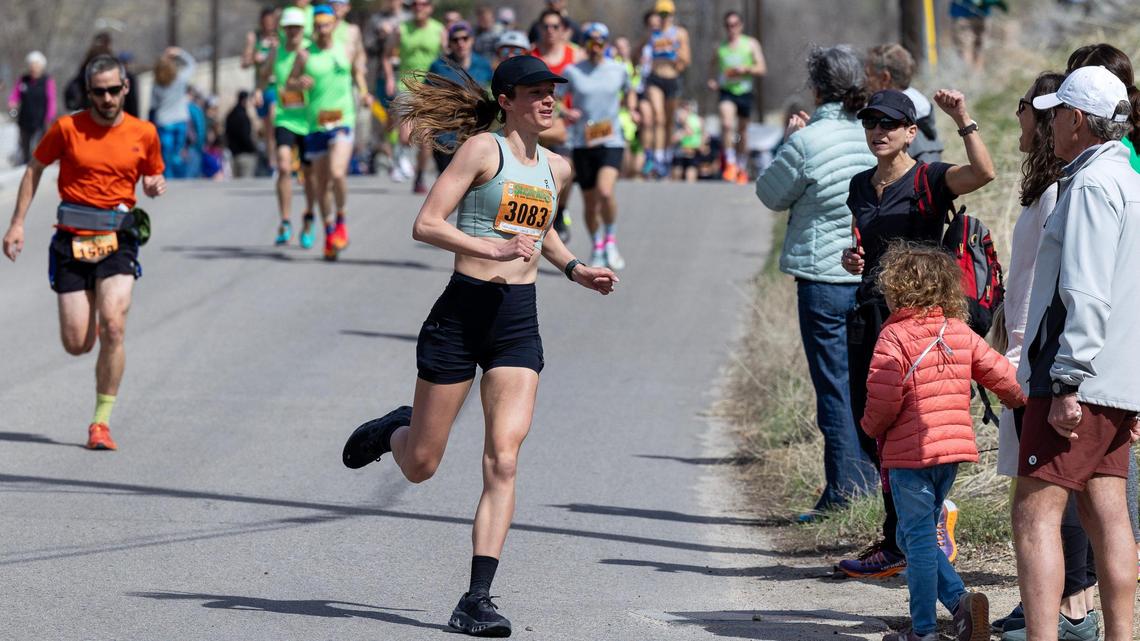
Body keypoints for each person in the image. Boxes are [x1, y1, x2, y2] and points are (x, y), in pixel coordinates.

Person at [340, 54, 617, 636]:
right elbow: (428, 223)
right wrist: (488, 248)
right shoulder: (480, 151)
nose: (549, 100)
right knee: (421, 464)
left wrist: (575, 269)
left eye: (553, 91)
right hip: (462, 312)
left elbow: (543, 234)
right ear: (508, 99)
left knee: (505, 457)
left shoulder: (556, 168)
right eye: (537, 92)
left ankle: (476, 598)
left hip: (517, 320)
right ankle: (398, 430)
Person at [838, 88, 996, 578]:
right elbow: (862, 242)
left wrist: (963, 117)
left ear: (910, 132)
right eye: (870, 124)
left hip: (922, 324)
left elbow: (984, 173)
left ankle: (912, 534)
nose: (878, 132)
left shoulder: (930, 179)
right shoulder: (860, 186)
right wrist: (853, 260)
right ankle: (907, 534)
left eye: (889, 124)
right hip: (870, 315)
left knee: (916, 432)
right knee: (871, 429)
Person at [1014, 63, 1140, 641]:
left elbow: (1085, 290)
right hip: (1118, 376)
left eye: (1058, 114)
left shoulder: (1089, 183)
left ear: (1080, 121)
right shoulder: (1131, 179)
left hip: (1077, 375)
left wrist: (1065, 381)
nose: (1051, 126)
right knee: (1107, 513)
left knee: (1034, 515)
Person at [1, 54, 166, 450]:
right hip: (71, 241)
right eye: (99, 92)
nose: (107, 98)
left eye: (114, 90)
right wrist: (18, 223)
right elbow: (34, 168)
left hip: (118, 241)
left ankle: (100, 422)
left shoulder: (143, 132)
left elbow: (153, 172)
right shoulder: (67, 128)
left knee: (114, 326)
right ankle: (90, 319)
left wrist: (154, 184)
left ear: (125, 88)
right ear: (88, 92)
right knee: (77, 344)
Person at [863, 244, 1025, 641]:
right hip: (949, 455)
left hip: (910, 456)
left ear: (897, 290)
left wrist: (868, 428)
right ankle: (960, 605)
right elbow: (1004, 376)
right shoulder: (959, 332)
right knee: (910, 535)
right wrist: (1019, 402)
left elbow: (882, 402)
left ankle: (922, 631)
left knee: (916, 540)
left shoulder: (893, 337)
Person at [987, 72, 1096, 641]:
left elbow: (1056, 283)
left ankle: (1072, 607)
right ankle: (1047, 606)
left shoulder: (1067, 187)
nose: (1023, 117)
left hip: (1042, 353)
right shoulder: (1047, 183)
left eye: (1028, 107)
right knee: (1042, 487)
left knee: (1053, 488)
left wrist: (1023, 353)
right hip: (1025, 347)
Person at [755, 44, 879, 518]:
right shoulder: (874, 130)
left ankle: (844, 490)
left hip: (823, 278)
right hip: (870, 274)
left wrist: (789, 140)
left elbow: (770, 194)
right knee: (869, 385)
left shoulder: (808, 140)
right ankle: (868, 482)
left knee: (834, 385)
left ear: (818, 87)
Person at [288, 4, 372, 261]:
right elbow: (289, 83)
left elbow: (358, 71)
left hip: (342, 119)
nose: (323, 30)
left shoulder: (345, 49)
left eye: (326, 25)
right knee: (320, 184)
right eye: (318, 26)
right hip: (315, 125)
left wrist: (365, 92)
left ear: (333, 26)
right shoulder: (304, 55)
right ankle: (328, 233)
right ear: (314, 28)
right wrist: (298, 83)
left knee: (337, 173)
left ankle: (342, 220)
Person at [562, 22, 635, 269]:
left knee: (606, 191)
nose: (596, 46)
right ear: (585, 44)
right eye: (591, 41)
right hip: (583, 142)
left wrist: (632, 109)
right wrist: (566, 111)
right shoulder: (573, 71)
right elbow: (557, 98)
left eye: (600, 41)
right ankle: (597, 244)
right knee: (590, 202)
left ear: (606, 43)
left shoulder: (618, 69)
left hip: (611, 140)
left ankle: (611, 240)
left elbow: (630, 90)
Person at [264, 6, 318, 247]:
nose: (293, 32)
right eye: (289, 28)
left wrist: (309, 82)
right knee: (284, 166)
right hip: (285, 117)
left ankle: (308, 217)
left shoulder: (310, 51)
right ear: (283, 29)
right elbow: (264, 74)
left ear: (302, 29)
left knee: (310, 175)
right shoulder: (276, 51)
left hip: (309, 120)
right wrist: (259, 88)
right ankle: (285, 220)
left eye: (297, 28)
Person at [383, 0, 447, 191]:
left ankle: (419, 175)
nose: (419, 8)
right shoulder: (401, 29)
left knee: (426, 137)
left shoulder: (439, 30)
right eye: (415, 5)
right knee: (406, 136)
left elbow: (447, 57)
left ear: (430, 8)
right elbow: (386, 55)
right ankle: (402, 157)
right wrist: (389, 79)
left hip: (432, 89)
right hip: (407, 86)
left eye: (424, 4)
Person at [427, 21, 493, 176]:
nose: (460, 43)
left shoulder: (484, 65)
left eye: (465, 38)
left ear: (472, 40)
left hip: (476, 132)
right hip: (445, 136)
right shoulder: (439, 66)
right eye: (455, 40)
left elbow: (492, 94)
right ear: (449, 43)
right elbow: (427, 95)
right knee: (448, 180)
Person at [706, 11, 765, 185]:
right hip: (726, 91)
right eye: (728, 25)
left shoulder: (750, 44)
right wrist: (712, 81)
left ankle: (741, 165)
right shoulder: (721, 47)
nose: (732, 28)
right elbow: (711, 66)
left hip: (745, 92)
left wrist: (745, 70)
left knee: (743, 132)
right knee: (726, 123)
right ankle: (730, 163)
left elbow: (761, 68)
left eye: (735, 24)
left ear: (741, 26)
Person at [865, 43, 943, 164]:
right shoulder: (920, 106)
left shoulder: (906, 117)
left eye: (868, 75)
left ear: (885, 78)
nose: (865, 81)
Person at [641, 0, 690, 180]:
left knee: (669, 121)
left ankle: (667, 155)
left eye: (666, 14)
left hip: (672, 78)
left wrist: (675, 53)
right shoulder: (652, 33)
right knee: (658, 116)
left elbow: (686, 59)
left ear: (672, 15)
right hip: (655, 78)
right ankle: (658, 157)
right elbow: (640, 52)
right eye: (659, 14)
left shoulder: (679, 33)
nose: (662, 18)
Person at [150, 47, 197, 179]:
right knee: (178, 153)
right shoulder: (180, 80)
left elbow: (153, 106)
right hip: (180, 120)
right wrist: (179, 53)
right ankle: (180, 176)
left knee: (165, 154)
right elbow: (192, 64)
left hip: (164, 122)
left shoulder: (156, 85)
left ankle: (168, 178)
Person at [243, 6, 280, 161]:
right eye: (266, 22)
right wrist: (253, 58)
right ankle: (272, 161)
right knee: (268, 129)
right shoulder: (254, 38)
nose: (269, 25)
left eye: (272, 21)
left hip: (277, 86)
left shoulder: (280, 37)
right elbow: (244, 63)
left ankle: (281, 158)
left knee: (274, 119)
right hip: (261, 88)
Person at [8, 51, 56, 166]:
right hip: (24, 118)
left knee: (38, 145)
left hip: (40, 119)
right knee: (25, 145)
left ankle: (37, 165)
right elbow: (15, 95)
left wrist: (49, 117)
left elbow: (51, 100)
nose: (33, 68)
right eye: (31, 65)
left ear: (41, 66)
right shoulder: (23, 80)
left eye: (36, 65)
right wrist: (12, 103)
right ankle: (24, 164)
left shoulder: (47, 81)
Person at [225, 90, 259, 178]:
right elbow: (245, 136)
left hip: (234, 154)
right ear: (244, 100)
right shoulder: (243, 116)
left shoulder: (230, 115)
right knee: (245, 183)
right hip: (245, 155)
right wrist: (253, 149)